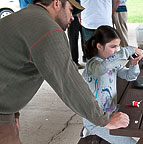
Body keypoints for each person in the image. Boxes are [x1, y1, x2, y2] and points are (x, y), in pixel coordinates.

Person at [0, 0, 131, 143]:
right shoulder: (48, 29)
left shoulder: (24, 18)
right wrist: (104, 120)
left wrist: (13, 113)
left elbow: (8, 65)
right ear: (56, 3)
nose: (73, 17)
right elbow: (68, 82)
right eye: (70, 10)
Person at [81, 25, 143, 144]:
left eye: (117, 47)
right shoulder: (93, 65)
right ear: (99, 46)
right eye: (113, 47)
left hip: (112, 112)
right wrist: (129, 50)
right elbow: (102, 69)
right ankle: (89, 131)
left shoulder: (111, 63)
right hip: (96, 121)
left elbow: (130, 76)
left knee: (141, 122)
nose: (116, 51)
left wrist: (134, 64)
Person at [67, 0, 84, 69]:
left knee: (84, 40)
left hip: (83, 17)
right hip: (73, 17)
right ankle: (74, 62)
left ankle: (85, 59)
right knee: (73, 40)